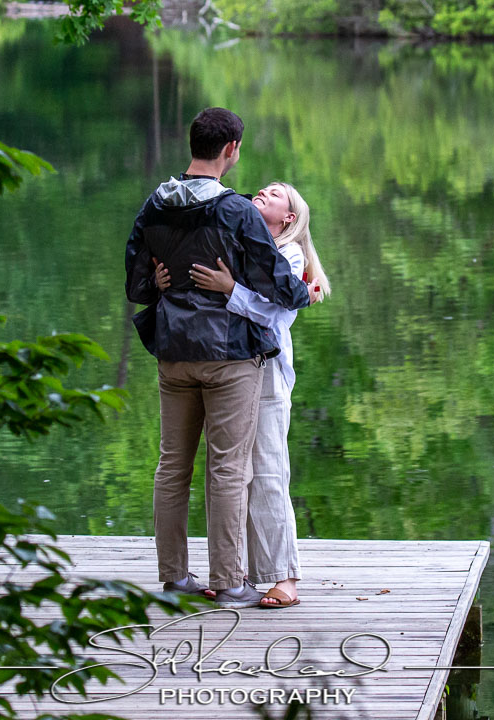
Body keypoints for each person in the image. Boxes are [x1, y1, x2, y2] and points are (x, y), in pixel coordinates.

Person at [125, 108, 310, 608]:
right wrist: (305, 293)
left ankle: (174, 577)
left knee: (171, 467)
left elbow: (136, 283)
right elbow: (282, 287)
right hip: (227, 356)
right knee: (229, 469)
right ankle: (230, 582)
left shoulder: (155, 205)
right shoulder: (236, 210)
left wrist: (161, 286)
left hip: (173, 355)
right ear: (231, 150)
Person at [184, 182, 329, 609]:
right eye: (263, 188)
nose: (264, 191)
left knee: (267, 473)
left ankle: (284, 576)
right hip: (228, 369)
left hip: (266, 374)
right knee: (230, 474)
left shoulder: (290, 255)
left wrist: (230, 289)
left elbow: (271, 313)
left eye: (277, 193)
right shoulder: (239, 241)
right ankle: (234, 573)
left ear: (289, 217)